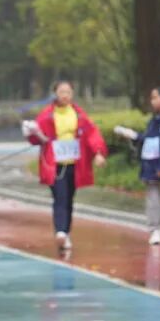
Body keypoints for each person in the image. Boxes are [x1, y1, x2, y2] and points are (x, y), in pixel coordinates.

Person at [22, 81, 107, 252]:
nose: (65, 95)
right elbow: (37, 138)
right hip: (55, 165)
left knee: (69, 198)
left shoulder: (79, 114)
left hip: (75, 164)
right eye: (61, 92)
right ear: (55, 94)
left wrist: (98, 152)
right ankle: (60, 231)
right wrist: (30, 132)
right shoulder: (47, 115)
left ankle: (65, 232)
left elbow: (91, 134)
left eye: (68, 92)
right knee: (60, 197)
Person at [114, 86, 160, 244]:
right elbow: (148, 139)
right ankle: (154, 229)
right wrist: (131, 135)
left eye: (156, 97)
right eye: (152, 98)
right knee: (153, 199)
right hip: (150, 165)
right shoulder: (153, 121)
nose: (152, 101)